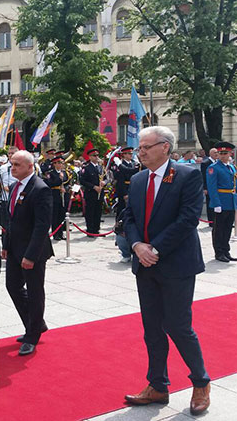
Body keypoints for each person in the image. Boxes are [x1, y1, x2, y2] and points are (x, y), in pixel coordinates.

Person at [123, 126, 210, 415]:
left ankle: (201, 382)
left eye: (147, 147)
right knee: (152, 329)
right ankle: (157, 385)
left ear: (165, 147)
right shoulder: (137, 180)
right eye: (139, 148)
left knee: (178, 326)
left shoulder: (187, 176)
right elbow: (130, 217)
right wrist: (136, 245)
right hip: (144, 265)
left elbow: (188, 219)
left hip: (176, 264)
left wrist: (154, 249)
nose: (141, 151)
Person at [2, 151, 53, 356]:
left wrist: (31, 255)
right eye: (12, 164)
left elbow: (42, 226)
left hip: (33, 251)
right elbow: (10, 221)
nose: (13, 168)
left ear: (30, 167)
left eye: (17, 165)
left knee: (34, 291)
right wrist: (5, 244)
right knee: (12, 286)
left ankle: (32, 335)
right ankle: (35, 323)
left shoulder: (40, 189)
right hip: (14, 248)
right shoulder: (15, 187)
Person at [206, 141, 237, 263]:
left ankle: (226, 250)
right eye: (221, 153)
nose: (223, 155)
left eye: (225, 153)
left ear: (230, 153)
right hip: (221, 201)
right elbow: (212, 187)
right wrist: (216, 203)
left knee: (228, 228)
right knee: (219, 229)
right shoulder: (213, 168)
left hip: (230, 201)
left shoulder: (232, 167)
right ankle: (219, 252)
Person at [79, 148, 105, 236]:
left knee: (98, 212)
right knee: (90, 212)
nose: (96, 157)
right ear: (90, 157)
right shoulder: (86, 168)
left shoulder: (101, 167)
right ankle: (90, 230)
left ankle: (96, 229)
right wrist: (94, 187)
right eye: (94, 156)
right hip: (91, 193)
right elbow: (82, 180)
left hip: (100, 193)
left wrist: (104, 182)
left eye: (97, 155)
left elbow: (106, 177)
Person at [44, 155, 67, 241]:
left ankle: (61, 233)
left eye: (61, 163)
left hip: (62, 195)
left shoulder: (64, 172)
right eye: (59, 163)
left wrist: (66, 189)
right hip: (54, 195)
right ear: (54, 164)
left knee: (62, 215)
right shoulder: (50, 173)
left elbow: (67, 182)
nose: (61, 164)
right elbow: (50, 183)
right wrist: (59, 180)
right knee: (55, 215)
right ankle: (55, 233)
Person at [114, 147, 139, 222]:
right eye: (129, 153)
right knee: (122, 209)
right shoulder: (120, 165)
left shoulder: (134, 163)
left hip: (133, 188)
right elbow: (120, 181)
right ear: (124, 155)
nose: (131, 155)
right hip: (125, 189)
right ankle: (119, 226)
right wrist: (124, 193)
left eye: (131, 153)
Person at [200, 148, 218, 227]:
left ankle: (217, 220)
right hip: (208, 187)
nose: (216, 154)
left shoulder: (217, 162)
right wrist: (205, 188)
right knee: (210, 204)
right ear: (210, 153)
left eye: (217, 152)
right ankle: (211, 221)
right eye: (214, 152)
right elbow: (203, 176)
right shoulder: (205, 163)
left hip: (217, 187)